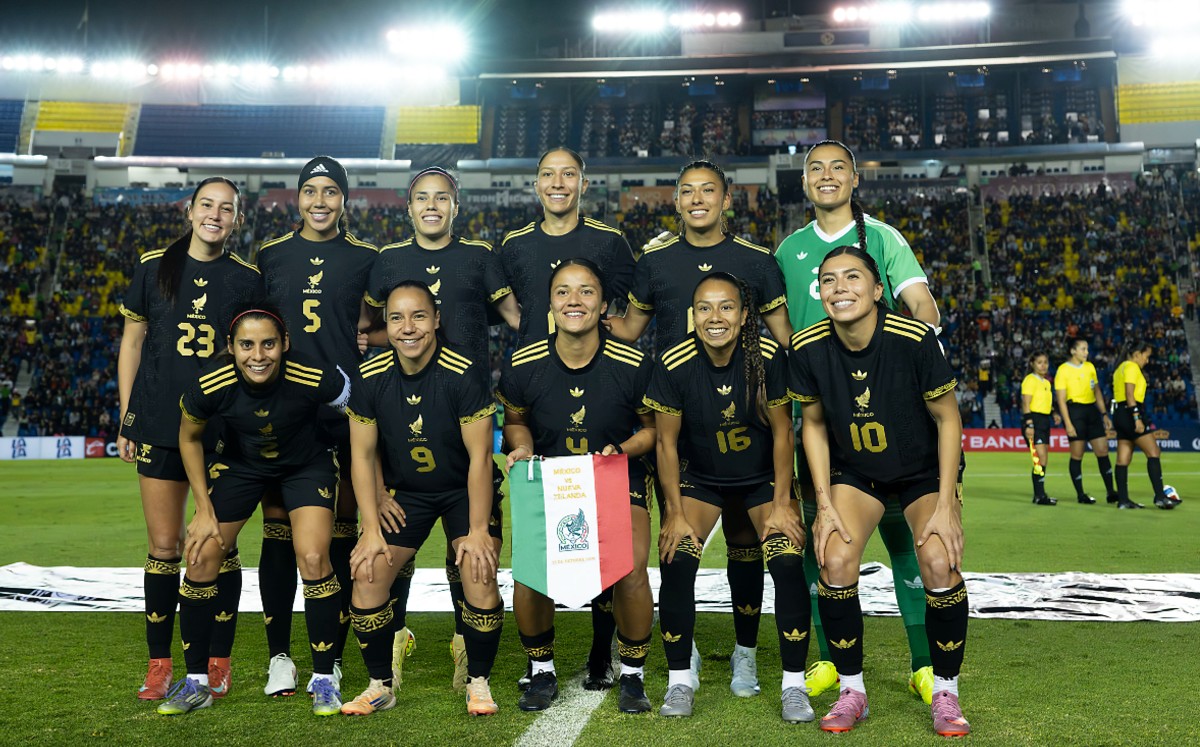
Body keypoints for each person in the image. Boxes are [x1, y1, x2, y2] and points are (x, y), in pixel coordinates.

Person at [609, 159, 791, 698]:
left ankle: (745, 654)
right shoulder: (656, 259)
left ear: (726, 198)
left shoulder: (756, 261)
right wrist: (576, 314)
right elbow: (630, 329)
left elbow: (785, 338)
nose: (696, 199)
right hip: (680, 429)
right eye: (686, 191)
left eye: (707, 190)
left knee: (745, 546)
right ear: (676, 201)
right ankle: (679, 660)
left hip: (747, 425)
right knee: (677, 547)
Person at [774, 139, 944, 703]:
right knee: (821, 542)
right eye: (814, 169)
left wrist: (912, 362)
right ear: (804, 183)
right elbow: (780, 332)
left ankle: (924, 662)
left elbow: (924, 307)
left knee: (907, 539)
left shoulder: (883, 239)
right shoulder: (789, 251)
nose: (826, 177)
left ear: (853, 180)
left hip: (891, 414)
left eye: (837, 168)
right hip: (817, 417)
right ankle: (830, 659)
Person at [790, 246, 969, 737]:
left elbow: (948, 417)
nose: (839, 287)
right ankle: (853, 690)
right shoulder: (806, 346)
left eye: (852, 278)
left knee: (938, 559)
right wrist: (824, 505)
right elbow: (814, 426)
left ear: (876, 290)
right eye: (828, 280)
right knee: (834, 556)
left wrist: (949, 503)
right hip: (857, 473)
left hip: (921, 472)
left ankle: (946, 692)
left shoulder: (912, 338)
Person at [366, 166, 518, 692]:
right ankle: (394, 641)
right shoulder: (387, 262)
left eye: (442, 198)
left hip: (465, 417)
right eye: (422, 198)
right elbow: (367, 330)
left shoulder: (479, 256)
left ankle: (465, 646)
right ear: (408, 208)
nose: (432, 206)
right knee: (392, 555)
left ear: (457, 205)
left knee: (471, 557)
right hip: (403, 420)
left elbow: (518, 316)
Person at [158, 308, 350, 716]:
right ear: (231, 348)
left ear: (285, 345)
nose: (257, 355)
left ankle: (323, 679)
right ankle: (196, 682)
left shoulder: (314, 376)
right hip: (243, 465)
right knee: (202, 553)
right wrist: (204, 510)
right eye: (246, 345)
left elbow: (360, 414)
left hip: (305, 464)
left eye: (268, 344)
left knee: (314, 556)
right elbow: (189, 437)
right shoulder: (212, 383)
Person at [117, 177, 262, 701]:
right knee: (164, 546)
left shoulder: (247, 278)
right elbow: (132, 343)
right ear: (189, 210)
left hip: (222, 431)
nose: (216, 215)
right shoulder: (154, 266)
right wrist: (127, 415)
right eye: (207, 205)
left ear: (237, 219)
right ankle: (159, 664)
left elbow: (257, 353)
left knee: (218, 547)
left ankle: (217, 661)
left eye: (227, 209)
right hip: (158, 423)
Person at [498, 147, 637, 688]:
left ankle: (603, 652)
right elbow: (504, 308)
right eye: (548, 175)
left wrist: (618, 363)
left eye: (569, 174)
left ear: (583, 181)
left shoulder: (609, 242)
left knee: (607, 541)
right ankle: (543, 665)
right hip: (540, 396)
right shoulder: (512, 245)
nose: (558, 183)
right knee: (541, 545)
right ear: (536, 184)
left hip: (599, 388)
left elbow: (630, 310)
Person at [645, 272, 811, 722]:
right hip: (701, 479)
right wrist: (675, 513)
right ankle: (681, 678)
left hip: (760, 480)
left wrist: (781, 503)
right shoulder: (674, 361)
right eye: (704, 308)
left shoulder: (770, 356)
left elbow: (782, 434)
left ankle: (782, 678)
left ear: (743, 314)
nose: (715, 317)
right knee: (676, 556)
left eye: (726, 307)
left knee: (788, 560)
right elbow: (665, 445)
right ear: (692, 315)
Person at [498, 259, 656, 715]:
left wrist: (621, 448)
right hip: (550, 483)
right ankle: (541, 670)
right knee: (529, 571)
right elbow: (514, 422)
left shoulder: (632, 362)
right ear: (549, 303)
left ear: (604, 304)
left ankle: (632, 675)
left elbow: (653, 431)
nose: (574, 300)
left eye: (586, 291)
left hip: (614, 480)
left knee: (629, 569)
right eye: (563, 291)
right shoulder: (524, 363)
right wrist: (523, 448)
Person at [341, 281, 504, 717]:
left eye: (417, 316)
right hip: (405, 493)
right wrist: (372, 528)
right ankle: (380, 684)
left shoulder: (463, 370)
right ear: (386, 325)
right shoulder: (370, 376)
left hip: (461, 490)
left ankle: (479, 682)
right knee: (369, 569)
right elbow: (361, 454)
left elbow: (480, 459)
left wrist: (476, 531)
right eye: (396, 318)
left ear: (435, 320)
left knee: (478, 566)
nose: (407, 327)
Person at [255, 156, 379, 697]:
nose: (320, 200)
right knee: (280, 533)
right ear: (297, 198)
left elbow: (378, 324)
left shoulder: (367, 258)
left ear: (344, 199)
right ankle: (279, 655)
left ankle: (334, 653)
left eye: (331, 191)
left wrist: (367, 341)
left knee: (345, 533)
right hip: (284, 414)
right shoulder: (271, 256)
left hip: (345, 410)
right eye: (311, 191)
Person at [1112, 341, 1180, 510]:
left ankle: (1123, 500)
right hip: (1131, 412)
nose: (1147, 361)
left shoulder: (1119, 369)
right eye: (1146, 356)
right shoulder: (1132, 367)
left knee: (1123, 459)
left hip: (1119, 413)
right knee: (1154, 451)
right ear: (1137, 354)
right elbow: (1130, 394)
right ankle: (1160, 497)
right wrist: (1136, 417)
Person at [1054, 338, 1120, 506]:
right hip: (1075, 412)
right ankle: (1081, 494)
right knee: (1077, 454)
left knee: (1103, 450)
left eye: (1087, 349)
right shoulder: (1063, 370)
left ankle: (1111, 492)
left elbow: (1096, 391)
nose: (1086, 352)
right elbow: (1061, 400)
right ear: (1073, 351)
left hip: (1091, 411)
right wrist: (1068, 423)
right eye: (1083, 349)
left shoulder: (1090, 367)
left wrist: (1104, 414)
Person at [1021, 351, 1060, 506]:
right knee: (1039, 458)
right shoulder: (1030, 380)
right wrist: (1029, 424)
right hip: (1034, 420)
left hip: (1044, 421)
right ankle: (1039, 495)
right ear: (1032, 364)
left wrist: (1054, 413)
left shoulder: (1046, 382)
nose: (1043, 365)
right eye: (1039, 362)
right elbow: (1026, 403)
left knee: (1043, 459)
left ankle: (1041, 494)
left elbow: (1046, 403)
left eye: (1045, 362)